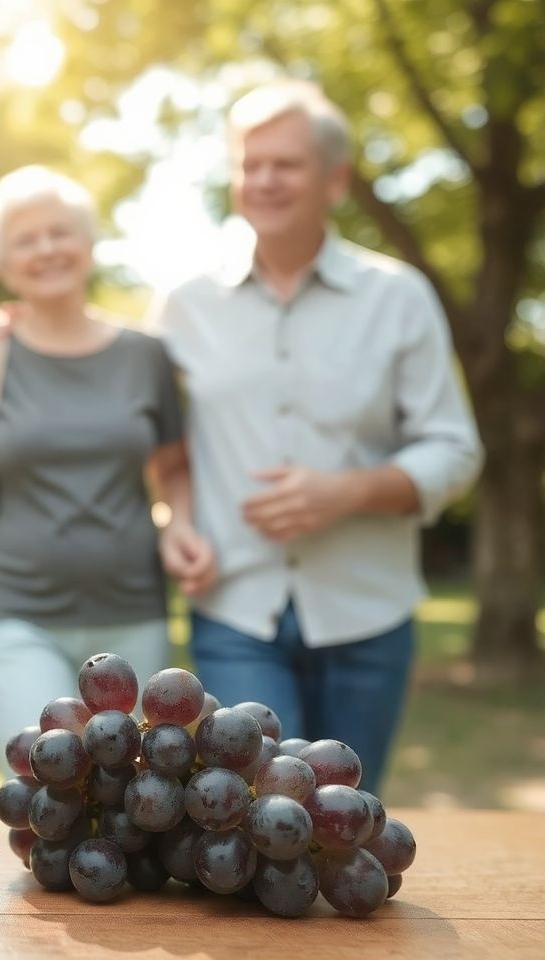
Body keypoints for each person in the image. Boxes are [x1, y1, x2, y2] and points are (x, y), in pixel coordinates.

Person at [148, 80, 483, 794]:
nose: (264, 179)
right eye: (251, 163)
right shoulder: (184, 304)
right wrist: (175, 518)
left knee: (343, 821)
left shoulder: (398, 297)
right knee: (256, 813)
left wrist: (349, 491)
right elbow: (158, 443)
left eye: (287, 164)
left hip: (369, 612)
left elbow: (455, 449)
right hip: (235, 608)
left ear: (334, 179)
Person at [0, 166, 214, 774]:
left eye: (60, 232)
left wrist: (179, 523)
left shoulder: (146, 354)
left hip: (135, 614)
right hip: (15, 619)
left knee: (141, 802)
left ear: (89, 242)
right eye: (26, 239)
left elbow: (174, 468)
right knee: (46, 794)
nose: (46, 248)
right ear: (3, 262)